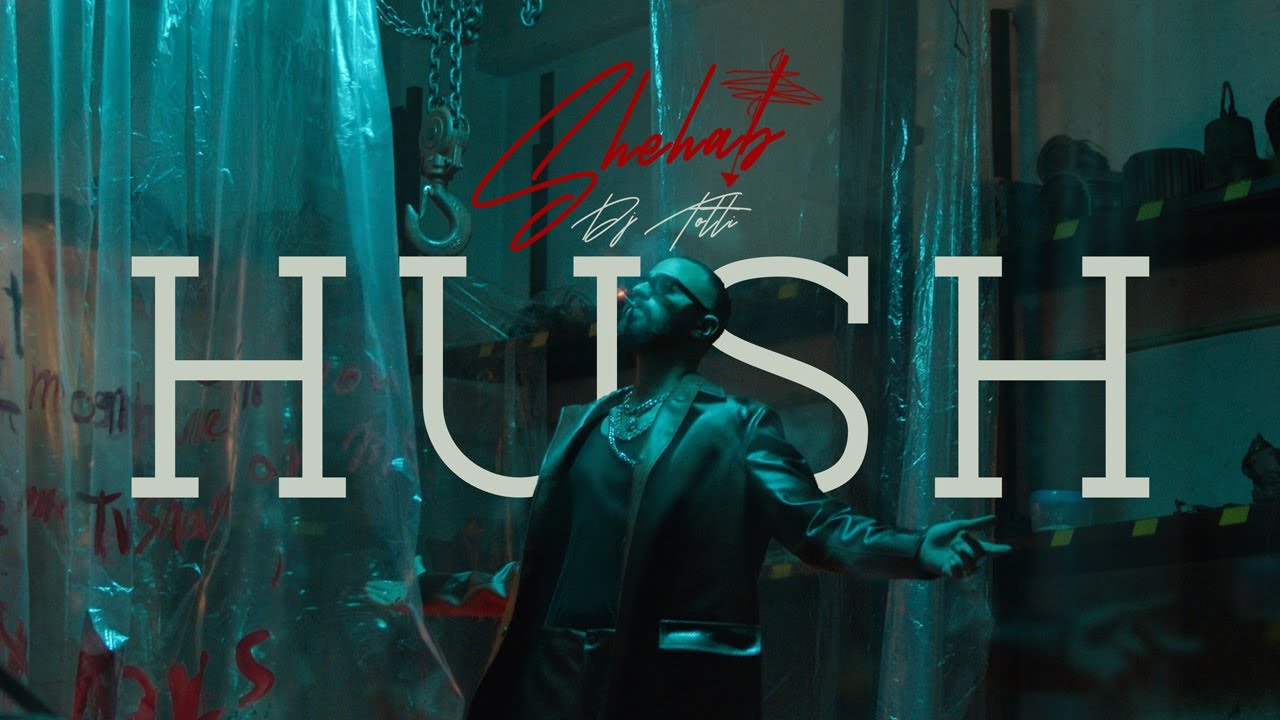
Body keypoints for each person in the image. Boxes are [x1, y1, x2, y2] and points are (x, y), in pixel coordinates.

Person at [368, 256, 1011, 720]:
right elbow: (542, 577)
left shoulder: (736, 428)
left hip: (664, 684)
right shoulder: (581, 427)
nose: (640, 290)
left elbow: (817, 528)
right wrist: (427, 593)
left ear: (702, 329)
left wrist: (917, 549)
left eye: (667, 288)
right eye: (643, 281)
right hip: (553, 684)